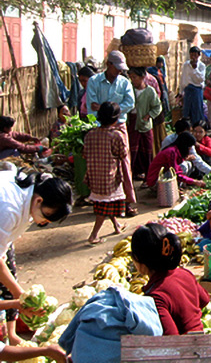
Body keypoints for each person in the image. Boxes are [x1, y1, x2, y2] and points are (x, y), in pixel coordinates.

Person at [0, 167, 72, 344]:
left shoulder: (32, 193)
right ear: (39, 200)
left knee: (9, 273)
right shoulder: (9, 209)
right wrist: (24, 298)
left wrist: (20, 299)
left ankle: (11, 334)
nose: (44, 223)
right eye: (46, 217)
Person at [131, 223, 210, 335]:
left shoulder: (155, 297)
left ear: (139, 261)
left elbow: (171, 337)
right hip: (201, 337)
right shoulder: (184, 273)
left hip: (187, 348)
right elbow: (205, 299)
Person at [86, 49, 137, 217]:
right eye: (117, 68)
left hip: (119, 127)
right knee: (101, 166)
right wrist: (106, 112)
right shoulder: (94, 81)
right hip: (98, 128)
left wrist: (109, 110)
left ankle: (127, 202)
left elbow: (129, 103)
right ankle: (100, 201)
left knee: (124, 165)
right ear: (108, 65)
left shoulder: (124, 82)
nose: (120, 71)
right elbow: (91, 106)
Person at [83, 102, 128, 245]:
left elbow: (84, 153)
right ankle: (93, 235)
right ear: (115, 119)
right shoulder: (116, 135)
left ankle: (116, 225)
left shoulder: (90, 134)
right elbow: (123, 154)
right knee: (104, 206)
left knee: (106, 201)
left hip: (94, 174)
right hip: (109, 175)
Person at [127, 67, 162, 181]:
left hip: (145, 124)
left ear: (142, 78)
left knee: (147, 151)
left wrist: (149, 115)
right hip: (132, 123)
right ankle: (131, 176)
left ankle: (149, 178)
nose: (132, 80)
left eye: (134, 77)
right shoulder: (129, 89)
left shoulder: (149, 91)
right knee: (132, 151)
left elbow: (157, 106)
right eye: (131, 77)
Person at [179, 46, 206, 125]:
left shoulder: (201, 66)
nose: (193, 57)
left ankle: (197, 126)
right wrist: (181, 91)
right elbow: (183, 78)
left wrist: (195, 69)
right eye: (191, 55)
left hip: (197, 90)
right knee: (187, 110)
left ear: (198, 55)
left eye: (195, 55)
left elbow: (201, 79)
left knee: (197, 110)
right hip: (188, 90)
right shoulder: (186, 65)